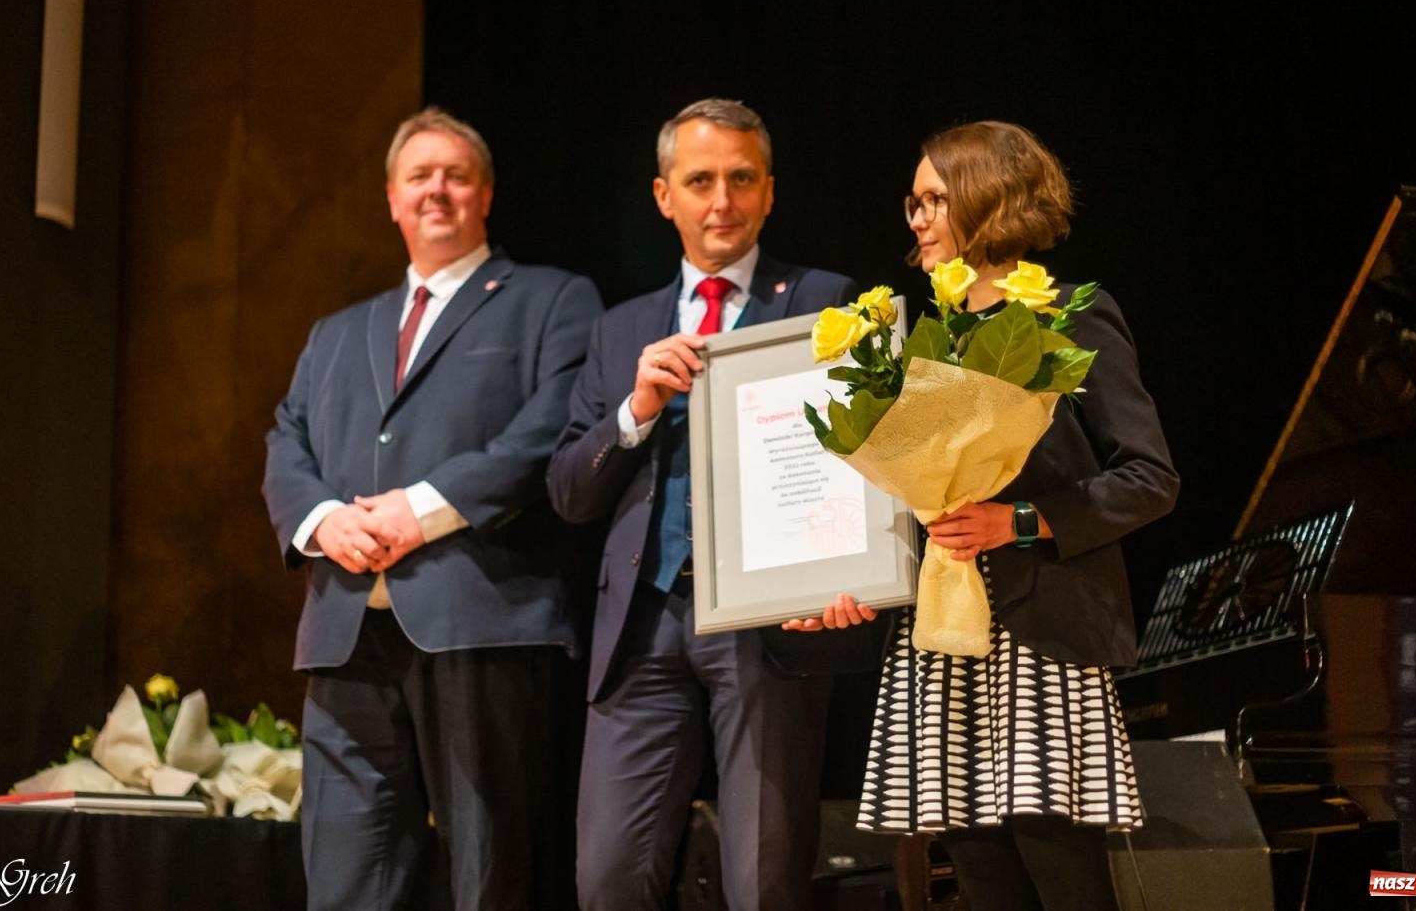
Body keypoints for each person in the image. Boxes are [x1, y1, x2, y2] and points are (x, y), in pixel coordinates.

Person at [787, 121, 1180, 910]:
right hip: (943, 645)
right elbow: (905, 501)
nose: (919, 219)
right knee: (982, 884)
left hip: (1041, 647)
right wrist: (842, 580)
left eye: (935, 199)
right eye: (915, 202)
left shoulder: (1071, 313)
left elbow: (1150, 479)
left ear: (989, 198)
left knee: (1064, 881)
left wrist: (1022, 521)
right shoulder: (914, 339)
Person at [262, 107, 602, 910]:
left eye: (455, 175)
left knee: (488, 876)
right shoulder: (338, 331)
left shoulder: (553, 300)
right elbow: (287, 439)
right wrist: (322, 521)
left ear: (485, 194)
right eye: (420, 176)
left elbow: (550, 426)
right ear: (391, 198)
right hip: (345, 631)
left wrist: (424, 508)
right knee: (346, 876)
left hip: (480, 622)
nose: (437, 191)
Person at [546, 98, 860, 911]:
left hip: (769, 630)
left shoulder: (825, 302)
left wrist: (843, 571)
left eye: (741, 179)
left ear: (769, 191)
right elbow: (571, 493)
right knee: (608, 878)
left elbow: (866, 461)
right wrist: (636, 410)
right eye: (700, 180)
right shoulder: (622, 331)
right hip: (643, 628)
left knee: (764, 881)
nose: (722, 200)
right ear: (664, 196)